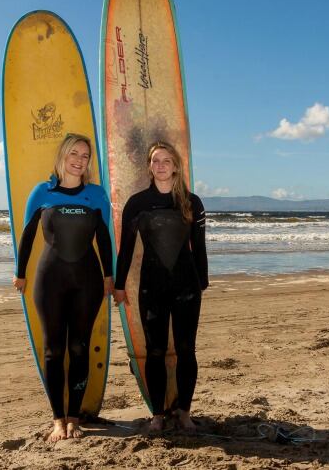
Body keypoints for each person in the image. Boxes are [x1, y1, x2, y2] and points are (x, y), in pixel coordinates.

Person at [13, 133, 114, 441]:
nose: (79, 159)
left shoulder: (96, 195)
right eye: (74, 153)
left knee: (79, 347)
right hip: (49, 280)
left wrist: (110, 277)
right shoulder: (41, 192)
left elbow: (105, 240)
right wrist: (20, 273)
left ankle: (74, 418)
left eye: (85, 156)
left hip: (88, 281)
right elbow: (28, 235)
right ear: (62, 156)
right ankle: (58, 418)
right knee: (54, 350)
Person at [113, 141, 208, 433]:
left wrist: (202, 282)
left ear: (176, 166)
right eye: (156, 160)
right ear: (149, 167)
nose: (161, 165)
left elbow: (199, 248)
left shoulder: (192, 202)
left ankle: (184, 412)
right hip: (151, 287)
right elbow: (126, 249)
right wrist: (119, 285)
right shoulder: (137, 203)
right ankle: (157, 413)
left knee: (185, 349)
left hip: (187, 287)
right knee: (154, 350)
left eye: (167, 160)